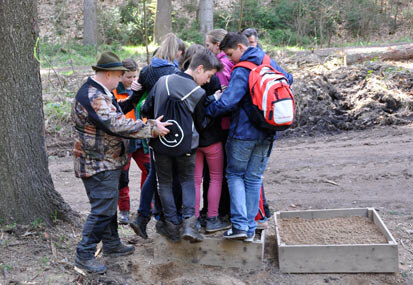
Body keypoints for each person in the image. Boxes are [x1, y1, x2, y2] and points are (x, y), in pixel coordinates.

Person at [72, 51, 171, 274]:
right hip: (97, 162)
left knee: (108, 206)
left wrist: (134, 101)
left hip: (107, 160)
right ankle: (84, 254)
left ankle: (111, 244)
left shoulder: (100, 92)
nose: (121, 80)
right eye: (119, 75)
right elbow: (116, 124)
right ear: (108, 74)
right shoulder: (93, 96)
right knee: (102, 210)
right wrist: (151, 128)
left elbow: (116, 113)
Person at [206, 32, 293, 242]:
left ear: (240, 47)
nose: (228, 59)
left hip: (243, 133)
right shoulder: (267, 61)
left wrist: (207, 110)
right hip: (268, 129)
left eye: (229, 54)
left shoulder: (242, 69)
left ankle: (239, 226)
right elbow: (288, 79)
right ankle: (251, 227)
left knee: (235, 175)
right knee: (254, 178)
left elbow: (228, 102)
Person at [143, 49, 222, 242]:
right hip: (186, 146)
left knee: (165, 183)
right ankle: (189, 224)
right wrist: (214, 103)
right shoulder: (199, 92)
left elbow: (146, 109)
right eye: (209, 76)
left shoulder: (163, 81)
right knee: (187, 181)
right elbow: (201, 124)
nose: (208, 81)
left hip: (160, 143)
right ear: (199, 68)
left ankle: (171, 225)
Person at [124, 33, 182, 240]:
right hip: (173, 129)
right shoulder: (176, 72)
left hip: (152, 127)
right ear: (177, 52)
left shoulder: (147, 71)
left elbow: (134, 99)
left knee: (155, 173)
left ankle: (145, 217)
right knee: (167, 177)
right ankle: (162, 219)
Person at [180, 44, 231, 233]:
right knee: (216, 178)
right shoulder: (214, 83)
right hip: (212, 139)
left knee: (195, 180)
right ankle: (212, 218)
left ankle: (193, 220)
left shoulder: (184, 81)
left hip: (194, 140)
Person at [112, 58, 150, 224]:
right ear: (120, 76)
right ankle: (124, 211)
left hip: (141, 139)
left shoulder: (143, 89)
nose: (133, 80)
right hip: (125, 140)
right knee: (123, 177)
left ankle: (147, 206)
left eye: (135, 76)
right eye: (129, 77)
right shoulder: (114, 92)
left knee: (149, 171)